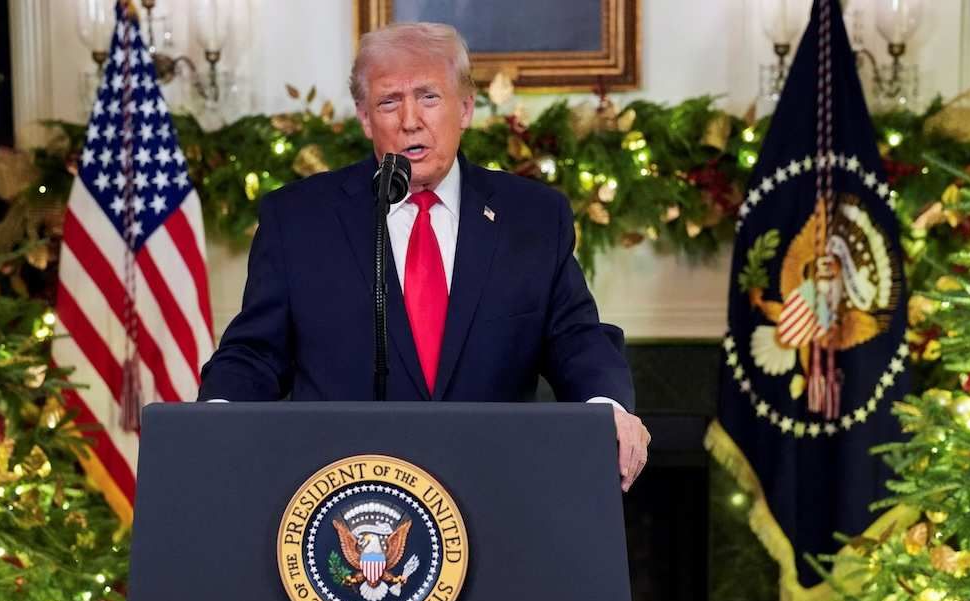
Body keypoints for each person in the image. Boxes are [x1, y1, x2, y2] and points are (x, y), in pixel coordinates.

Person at [198, 22, 650, 490]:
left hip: (496, 489)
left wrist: (608, 409)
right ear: (365, 118)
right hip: (348, 496)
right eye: (388, 102)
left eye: (429, 97)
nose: (410, 120)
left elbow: (576, 338)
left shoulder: (532, 217)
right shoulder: (298, 219)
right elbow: (255, 353)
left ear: (466, 107)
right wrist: (215, 416)